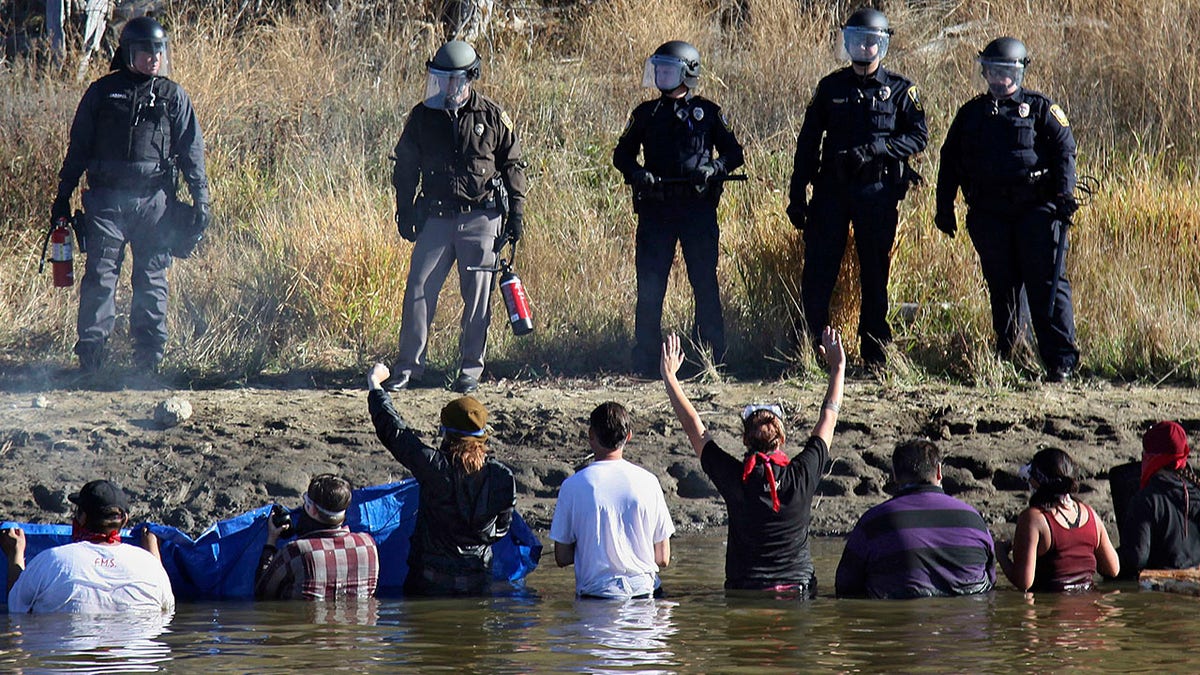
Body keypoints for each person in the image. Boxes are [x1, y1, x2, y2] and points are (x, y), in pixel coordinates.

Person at [53, 16, 210, 374]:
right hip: (105, 204)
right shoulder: (102, 92)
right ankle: (91, 359)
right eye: (145, 51)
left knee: (152, 277)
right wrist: (62, 197)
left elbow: (192, 153)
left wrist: (202, 200)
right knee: (100, 275)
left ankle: (148, 362)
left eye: (159, 51)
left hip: (155, 204)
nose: (154, 58)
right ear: (128, 53)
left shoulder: (173, 97)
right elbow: (77, 148)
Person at [786, 8, 928, 366]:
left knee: (875, 273)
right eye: (857, 41)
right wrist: (796, 193)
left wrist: (879, 149)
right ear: (847, 43)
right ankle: (813, 345)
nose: (864, 48)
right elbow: (808, 142)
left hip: (876, 192)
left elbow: (918, 136)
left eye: (871, 41)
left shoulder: (900, 90)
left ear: (882, 44)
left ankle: (875, 352)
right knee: (818, 270)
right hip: (831, 191)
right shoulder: (830, 87)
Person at [387, 39, 528, 395]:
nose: (447, 87)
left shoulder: (493, 116)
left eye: (454, 80)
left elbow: (513, 166)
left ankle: (470, 369)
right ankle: (408, 368)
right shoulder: (423, 116)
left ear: (470, 78)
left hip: (482, 217)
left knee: (478, 296)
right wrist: (404, 209)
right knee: (418, 289)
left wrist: (517, 213)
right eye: (441, 78)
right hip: (435, 216)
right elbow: (405, 167)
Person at [935, 37, 1079, 382]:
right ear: (985, 72)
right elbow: (949, 160)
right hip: (989, 214)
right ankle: (1010, 353)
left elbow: (1065, 150)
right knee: (1002, 286)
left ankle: (1060, 362)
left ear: (1020, 72)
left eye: (1007, 72)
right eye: (994, 72)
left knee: (1047, 284)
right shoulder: (971, 114)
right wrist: (944, 207)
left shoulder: (1041, 108)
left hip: (1037, 212)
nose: (1001, 79)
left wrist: (1064, 195)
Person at [660, 327, 844, 596]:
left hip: (745, 592)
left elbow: (694, 429)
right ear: (781, 438)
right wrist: (838, 368)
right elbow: (828, 417)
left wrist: (670, 378)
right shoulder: (803, 473)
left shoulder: (736, 478)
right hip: (798, 593)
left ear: (745, 440)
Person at [613, 40, 744, 377]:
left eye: (668, 70)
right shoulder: (646, 114)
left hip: (697, 210)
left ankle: (711, 358)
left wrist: (714, 169)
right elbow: (621, 155)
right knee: (650, 286)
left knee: (704, 283)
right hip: (656, 211)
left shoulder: (709, 113)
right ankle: (646, 360)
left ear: (688, 73)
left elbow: (735, 153)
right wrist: (639, 173)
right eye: (658, 69)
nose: (660, 75)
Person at [367, 363, 517, 595]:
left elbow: (394, 431)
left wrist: (376, 385)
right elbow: (500, 530)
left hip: (429, 584)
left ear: (446, 433)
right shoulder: (502, 477)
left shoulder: (434, 467)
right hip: (478, 583)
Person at [835, 439, 996, 599]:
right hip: (966, 619)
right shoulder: (974, 519)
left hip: (899, 618)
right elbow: (990, 580)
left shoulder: (873, 522)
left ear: (895, 476)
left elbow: (845, 587)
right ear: (939, 471)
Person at [549, 402, 675, 599]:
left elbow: (562, 557)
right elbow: (663, 558)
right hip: (646, 595)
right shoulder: (649, 482)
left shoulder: (572, 486)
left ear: (591, 435)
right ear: (629, 436)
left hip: (596, 597)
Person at [2, 480, 174, 614]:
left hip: (64, 657)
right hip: (139, 659)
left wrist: (15, 553)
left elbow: (16, 607)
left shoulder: (52, 561)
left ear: (81, 517)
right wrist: (153, 555)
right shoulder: (150, 566)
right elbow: (166, 609)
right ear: (125, 520)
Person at [996, 448, 1119, 592]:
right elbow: (1113, 569)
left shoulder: (1034, 518)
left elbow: (1024, 583)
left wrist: (1000, 554)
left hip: (1051, 610)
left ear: (1036, 481)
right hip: (1091, 607)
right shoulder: (1089, 514)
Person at [255, 474, 379, 601]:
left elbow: (262, 591)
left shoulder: (297, 551)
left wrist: (271, 541)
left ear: (313, 509)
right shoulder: (368, 544)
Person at [1117, 421, 1200, 576]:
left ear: (1151, 458)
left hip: (1165, 590)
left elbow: (1136, 559)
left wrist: (1106, 559)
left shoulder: (1146, 500)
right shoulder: (1196, 492)